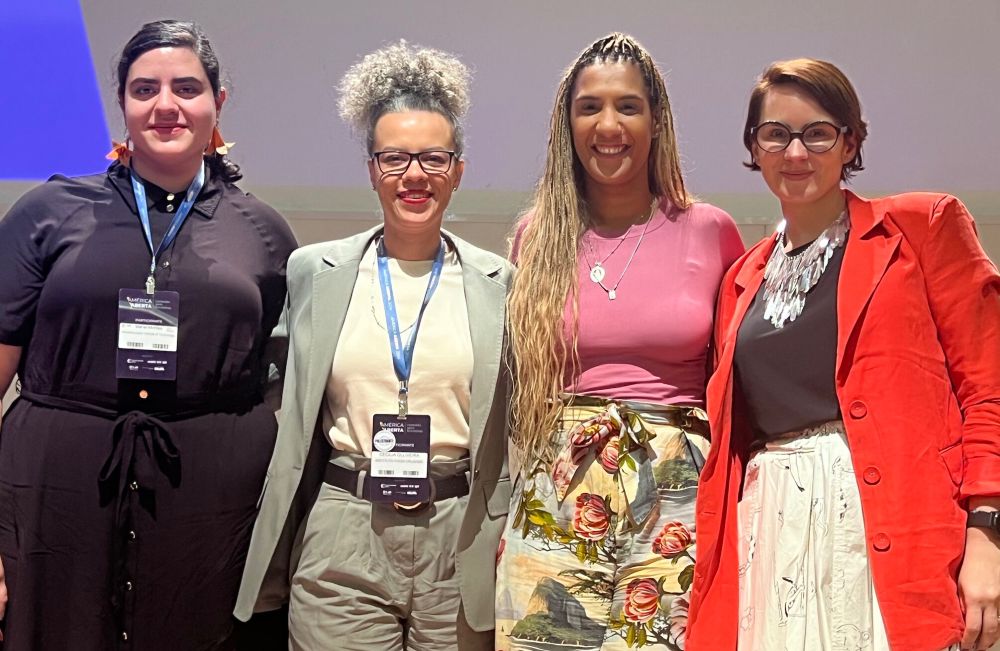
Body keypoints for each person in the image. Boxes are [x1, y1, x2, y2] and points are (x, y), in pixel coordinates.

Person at [0, 19, 296, 650]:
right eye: (145, 89)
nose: (165, 105)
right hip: (56, 492)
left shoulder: (264, 232)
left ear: (218, 103)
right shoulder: (47, 213)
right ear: (124, 105)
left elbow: (287, 380)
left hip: (210, 501)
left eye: (186, 88)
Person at [687, 58, 1000, 651]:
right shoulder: (740, 281)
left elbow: (990, 389)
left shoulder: (922, 228)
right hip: (771, 533)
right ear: (754, 146)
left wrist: (988, 536)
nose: (795, 152)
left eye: (818, 132)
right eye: (775, 134)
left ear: (850, 139)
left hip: (892, 528)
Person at [234, 41, 513, 650]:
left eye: (434, 159)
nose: (414, 176)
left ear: (458, 170)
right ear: (371, 169)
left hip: (459, 533)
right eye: (394, 159)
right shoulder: (315, 272)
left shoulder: (501, 284)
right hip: (345, 527)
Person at [495, 33, 744, 650]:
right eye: (590, 107)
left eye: (628, 106)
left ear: (656, 121)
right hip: (559, 482)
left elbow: (740, 378)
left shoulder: (710, 230)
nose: (609, 125)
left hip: (678, 490)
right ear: (567, 123)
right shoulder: (537, 236)